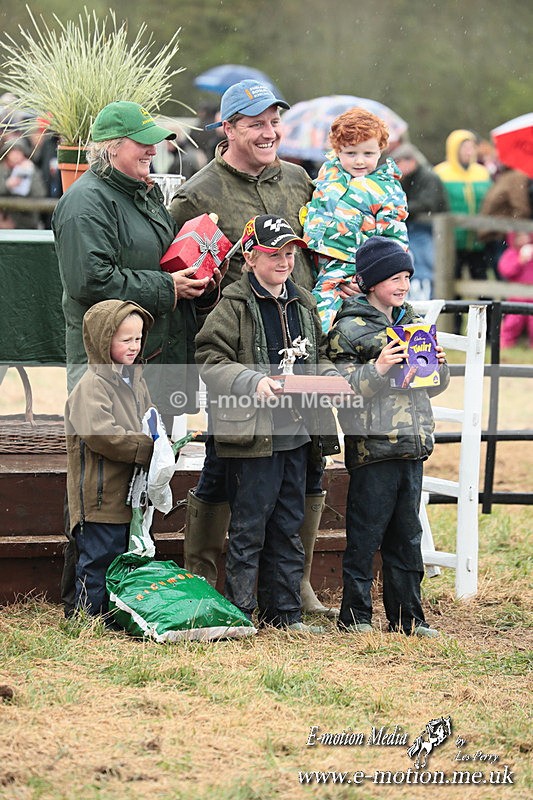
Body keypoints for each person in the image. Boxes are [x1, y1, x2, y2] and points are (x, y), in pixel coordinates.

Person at [170, 80, 345, 615]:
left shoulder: (299, 180)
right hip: (238, 356)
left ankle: (295, 584)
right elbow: (182, 275)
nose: (269, 133)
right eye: (255, 124)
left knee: (307, 464)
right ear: (228, 129)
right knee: (226, 468)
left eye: (273, 122)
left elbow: (322, 251)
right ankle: (204, 578)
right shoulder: (197, 194)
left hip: (300, 345)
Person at [52, 100, 221, 617]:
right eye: (141, 142)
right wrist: (168, 289)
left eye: (154, 141)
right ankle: (83, 599)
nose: (152, 149)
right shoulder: (85, 204)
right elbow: (90, 280)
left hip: (150, 357)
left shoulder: (141, 194)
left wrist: (198, 274)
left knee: (139, 478)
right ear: (110, 147)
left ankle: (123, 591)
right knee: (100, 476)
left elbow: (158, 261)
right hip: (105, 362)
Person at [195, 215, 340, 632]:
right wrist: (250, 380)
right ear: (250, 257)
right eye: (274, 253)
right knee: (249, 526)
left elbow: (319, 354)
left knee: (289, 524)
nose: (284, 261)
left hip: (298, 435)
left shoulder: (304, 302)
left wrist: (331, 378)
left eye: (290, 253)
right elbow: (209, 357)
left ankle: (285, 613)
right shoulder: (233, 305)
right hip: (254, 436)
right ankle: (241, 612)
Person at [326, 236, 450, 636]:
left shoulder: (413, 322)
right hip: (373, 449)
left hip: (411, 447)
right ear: (371, 282)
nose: (403, 285)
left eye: (407, 277)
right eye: (394, 278)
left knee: (407, 537)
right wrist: (377, 368)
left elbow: (433, 386)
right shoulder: (348, 329)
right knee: (365, 536)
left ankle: (408, 619)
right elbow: (341, 390)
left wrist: (438, 367)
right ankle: (355, 617)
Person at [65, 299, 155, 618]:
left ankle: (114, 616)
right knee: (97, 560)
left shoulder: (135, 381)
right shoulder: (91, 386)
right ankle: (87, 618)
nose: (134, 346)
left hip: (127, 496)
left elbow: (148, 417)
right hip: (99, 498)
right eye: (125, 339)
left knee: (121, 558)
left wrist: (160, 439)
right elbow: (103, 435)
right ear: (103, 342)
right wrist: (145, 447)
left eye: (138, 338)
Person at [302, 107, 409, 332]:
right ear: (337, 151)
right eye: (351, 153)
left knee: (325, 317)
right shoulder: (329, 175)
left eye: (368, 154)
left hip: (354, 267)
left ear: (380, 150)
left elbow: (395, 241)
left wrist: (371, 277)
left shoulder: (385, 189)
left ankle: (322, 348)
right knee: (306, 312)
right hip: (314, 263)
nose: (359, 161)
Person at [392, 143, 449, 300]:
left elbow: (428, 203)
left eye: (399, 162)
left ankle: (429, 297)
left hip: (428, 229)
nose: (397, 166)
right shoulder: (406, 179)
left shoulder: (428, 177)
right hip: (414, 227)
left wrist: (402, 209)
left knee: (425, 266)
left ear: (411, 161)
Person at [434, 130, 492, 279]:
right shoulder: (440, 173)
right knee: (452, 279)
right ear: (454, 149)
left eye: (472, 147)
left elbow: (490, 201)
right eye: (465, 148)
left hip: (478, 239)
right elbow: (436, 204)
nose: (469, 152)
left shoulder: (482, 173)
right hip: (451, 239)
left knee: (481, 280)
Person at [497, 232, 533, 348]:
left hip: (531, 298)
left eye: (526, 236)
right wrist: (520, 261)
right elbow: (505, 270)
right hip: (516, 298)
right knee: (512, 324)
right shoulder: (511, 253)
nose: (523, 239)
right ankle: (506, 345)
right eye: (520, 237)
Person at [0, 140, 47, 229]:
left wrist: (29, 173)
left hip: (27, 221)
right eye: (13, 151)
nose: (16, 155)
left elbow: (40, 192)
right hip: (5, 221)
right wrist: (7, 185)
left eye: (19, 151)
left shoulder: (31, 169)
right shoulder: (2, 170)